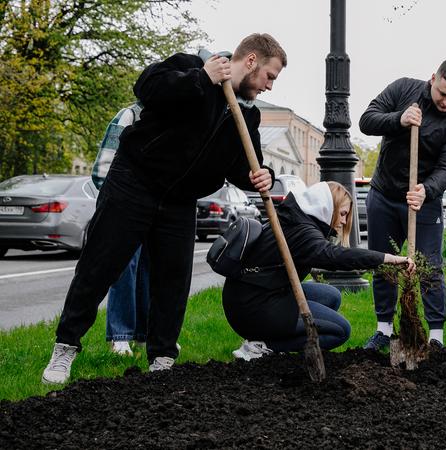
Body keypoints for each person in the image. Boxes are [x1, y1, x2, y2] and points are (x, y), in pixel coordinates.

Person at [42, 33, 286, 384]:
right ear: (250, 61)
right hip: (134, 182)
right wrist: (202, 78)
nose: (269, 87)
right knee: (99, 266)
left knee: (173, 281)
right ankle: (65, 346)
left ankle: (162, 358)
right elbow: (147, 87)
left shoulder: (246, 118)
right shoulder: (189, 66)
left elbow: (244, 167)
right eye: (270, 77)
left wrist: (261, 177)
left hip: (180, 201)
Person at [358, 59, 446, 350]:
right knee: (384, 263)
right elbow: (367, 120)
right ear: (432, 79)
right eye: (443, 94)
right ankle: (384, 330)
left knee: (429, 267)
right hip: (384, 194)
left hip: (424, 201)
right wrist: (399, 119)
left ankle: (436, 337)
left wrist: (427, 190)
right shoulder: (403, 90)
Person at [223, 181, 414, 359]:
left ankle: (271, 336)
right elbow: (334, 256)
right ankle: (263, 346)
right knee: (340, 330)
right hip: (254, 309)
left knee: (331, 296)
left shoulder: (294, 216)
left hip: (253, 294)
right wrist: (386, 258)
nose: (343, 222)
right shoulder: (304, 231)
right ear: (329, 207)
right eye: (342, 214)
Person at [91, 102, 150, 356]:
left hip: (156, 207)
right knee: (124, 269)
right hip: (124, 205)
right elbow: (103, 167)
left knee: (151, 272)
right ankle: (120, 336)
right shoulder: (130, 115)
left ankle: (145, 336)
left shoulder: (175, 115)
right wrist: (115, 200)